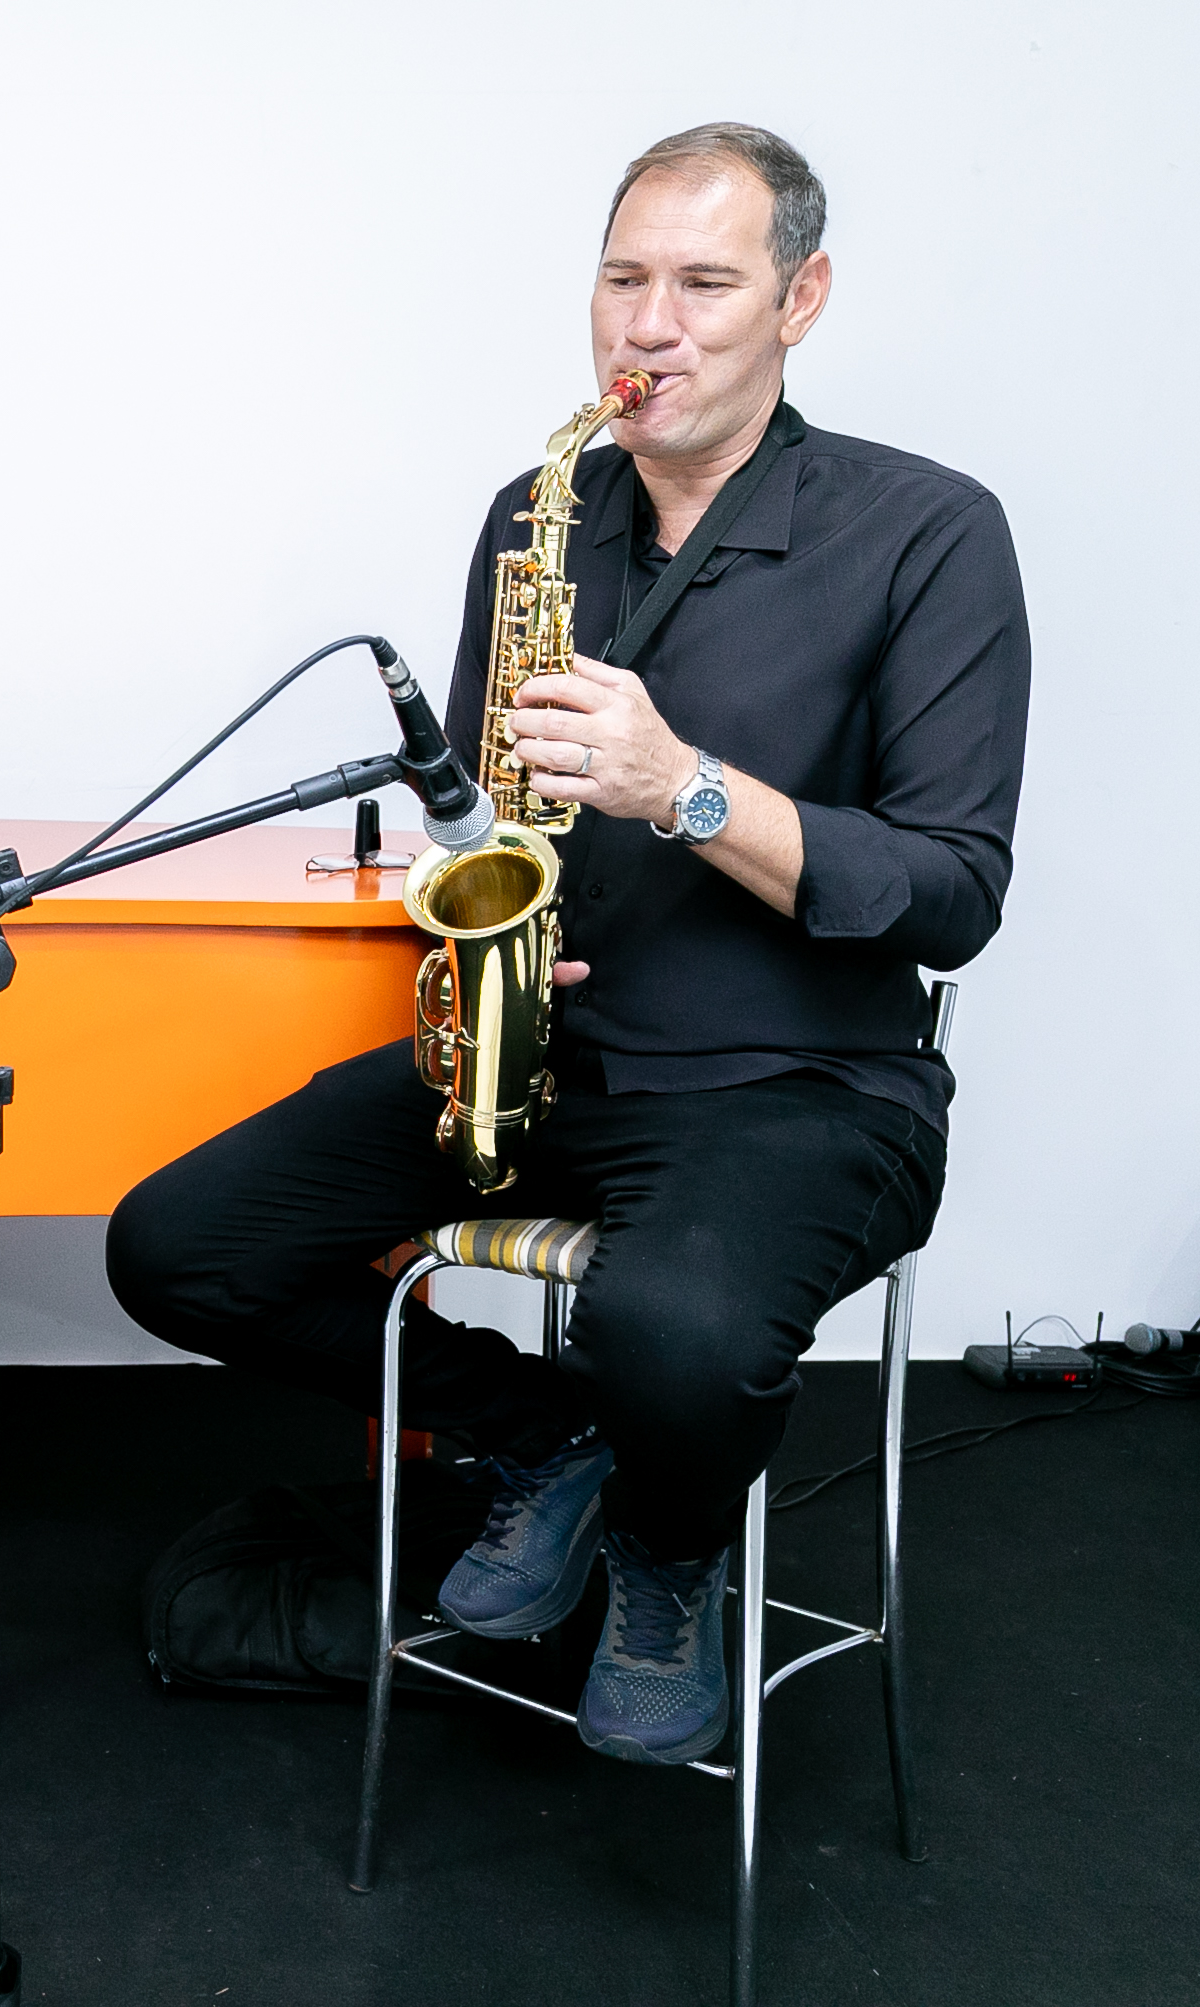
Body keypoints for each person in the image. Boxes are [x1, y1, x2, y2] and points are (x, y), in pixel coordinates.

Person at [106, 124, 1028, 1764]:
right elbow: (492, 810)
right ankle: (550, 1446)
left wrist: (684, 788)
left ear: (800, 298)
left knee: (666, 1327)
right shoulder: (537, 515)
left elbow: (955, 888)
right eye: (621, 279)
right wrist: (472, 889)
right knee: (177, 1245)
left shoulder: (927, 530)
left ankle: (667, 1553)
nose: (646, 327)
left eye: (703, 284)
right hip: (556, 1060)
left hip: (803, 1087)